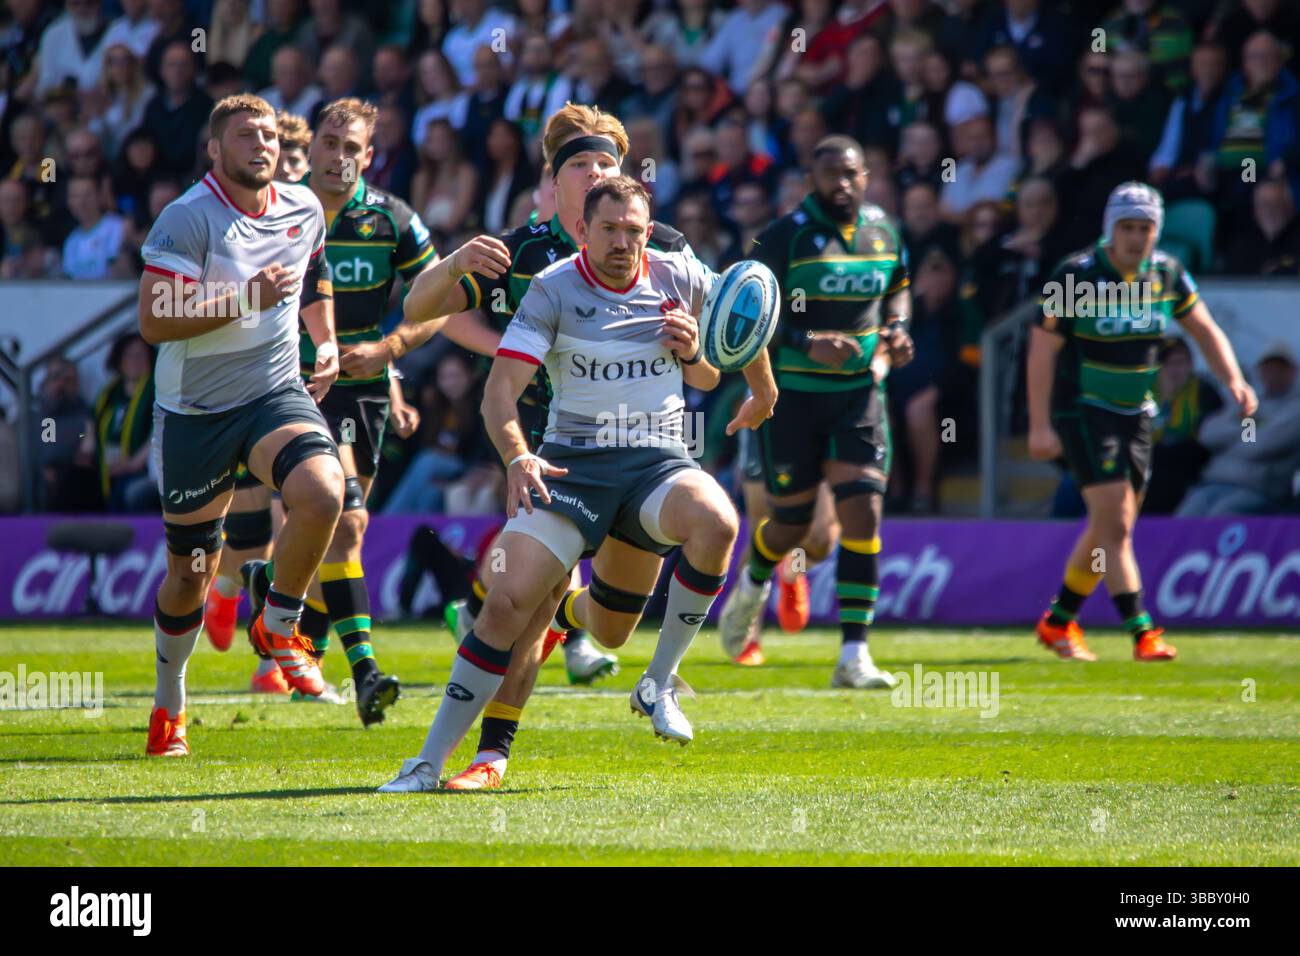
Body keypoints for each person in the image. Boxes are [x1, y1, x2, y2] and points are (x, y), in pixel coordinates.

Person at [380, 104, 778, 788]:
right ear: (558, 184)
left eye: (609, 165)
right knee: (514, 606)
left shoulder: (671, 255)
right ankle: (476, 756)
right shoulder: (523, 258)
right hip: (551, 450)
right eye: (583, 166)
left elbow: (714, 361)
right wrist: (454, 274)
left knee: (603, 625)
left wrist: (715, 366)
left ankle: (637, 674)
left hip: (647, 456)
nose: (599, 174)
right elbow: (424, 312)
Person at [206, 101, 436, 726]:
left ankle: (269, 614)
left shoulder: (394, 220)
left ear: (369, 154)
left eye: (350, 147)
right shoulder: (276, 207)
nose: (336, 157)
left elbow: (439, 300)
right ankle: (356, 668)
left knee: (337, 530)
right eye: (328, 142)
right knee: (328, 520)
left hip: (359, 384)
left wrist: (390, 355)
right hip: (280, 380)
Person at [139, 93, 347, 757]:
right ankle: (170, 700)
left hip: (272, 392)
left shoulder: (304, 206)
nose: (262, 145)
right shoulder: (187, 218)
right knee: (190, 574)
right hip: (195, 413)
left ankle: (279, 624)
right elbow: (154, 318)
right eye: (245, 135)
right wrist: (244, 298)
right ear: (215, 149)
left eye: (267, 134)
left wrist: (328, 339)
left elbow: (311, 276)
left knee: (322, 491)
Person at [1027, 181, 1258, 664]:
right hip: (1084, 410)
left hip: (1136, 415)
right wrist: (1040, 425)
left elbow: (1204, 328)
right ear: (1110, 229)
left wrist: (1233, 379)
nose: (1137, 238)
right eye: (1127, 227)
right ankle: (1142, 630)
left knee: (1110, 527)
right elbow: (1041, 350)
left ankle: (1058, 621)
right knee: (1116, 528)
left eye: (1146, 228)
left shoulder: (1166, 274)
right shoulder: (1076, 275)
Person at [719, 135, 915, 689]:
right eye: (831, 174)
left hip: (858, 395)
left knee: (863, 515)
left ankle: (854, 653)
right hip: (792, 399)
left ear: (867, 175)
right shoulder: (782, 236)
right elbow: (745, 311)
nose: (843, 184)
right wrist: (806, 341)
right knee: (792, 525)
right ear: (811, 178)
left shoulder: (884, 230)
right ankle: (753, 584)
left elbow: (899, 286)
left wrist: (897, 329)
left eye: (852, 173)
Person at [1177, 341, 1300, 517]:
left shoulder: (1295, 408)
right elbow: (1207, 433)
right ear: (1260, 370)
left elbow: (1260, 447)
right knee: (1183, 519)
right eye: (1269, 367)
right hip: (1212, 483)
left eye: (1280, 368)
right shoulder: (1250, 401)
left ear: (1293, 371)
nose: (1274, 373)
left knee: (1219, 517)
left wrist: (1239, 430)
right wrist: (1251, 427)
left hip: (1256, 490)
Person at [92, 333, 156, 513]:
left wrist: (134, 463)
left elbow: (158, 432)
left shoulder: (156, 390)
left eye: (141, 355)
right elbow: (92, 425)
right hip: (108, 467)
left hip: (142, 467)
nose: (135, 361)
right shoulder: (110, 393)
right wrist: (87, 448)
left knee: (125, 489)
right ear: (119, 358)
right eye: (130, 355)